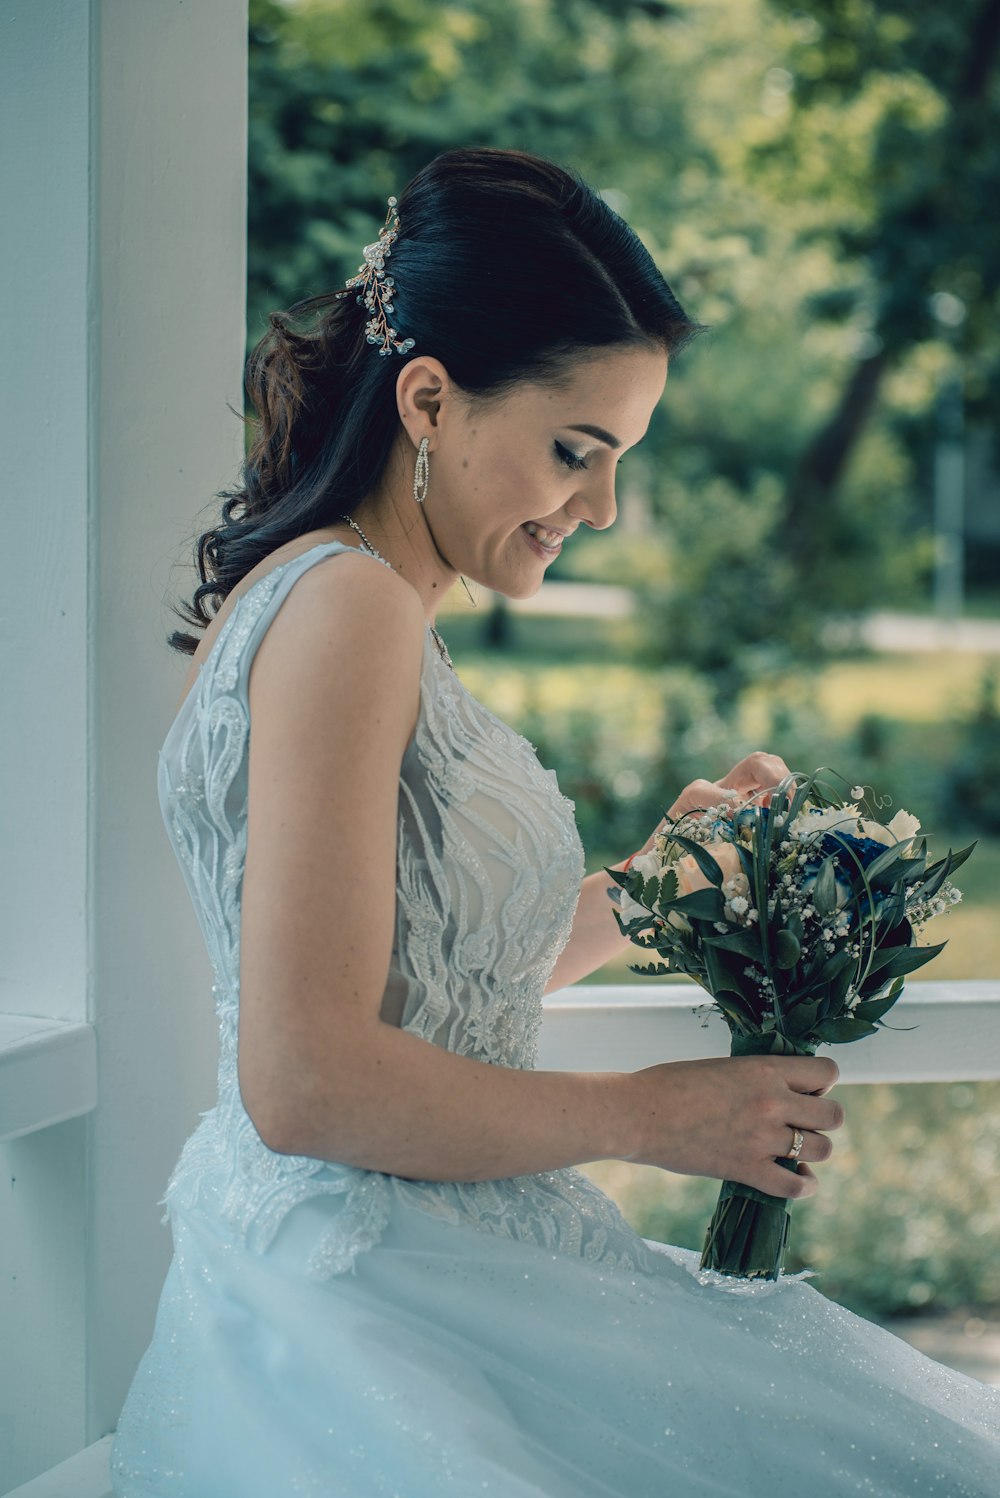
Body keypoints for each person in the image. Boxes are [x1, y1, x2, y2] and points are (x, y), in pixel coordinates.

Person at [110, 147, 999, 1496]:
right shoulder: (347, 609)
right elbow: (309, 1081)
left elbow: (421, 989)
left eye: (622, 457)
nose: (602, 506)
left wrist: (651, 883)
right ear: (428, 398)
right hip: (389, 1297)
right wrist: (657, 1116)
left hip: (400, 1256)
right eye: (576, 450)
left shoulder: (344, 600)